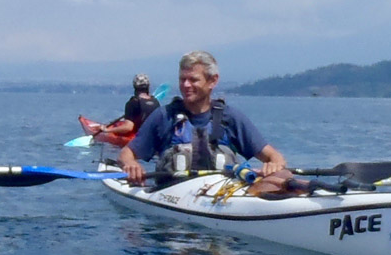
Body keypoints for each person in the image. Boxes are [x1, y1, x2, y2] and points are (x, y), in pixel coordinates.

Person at [117, 50, 295, 196]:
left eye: (193, 79)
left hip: (219, 198)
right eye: (182, 79)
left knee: (283, 177)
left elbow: (275, 156)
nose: (186, 85)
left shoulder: (230, 118)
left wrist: (274, 165)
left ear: (212, 81)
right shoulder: (164, 117)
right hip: (171, 200)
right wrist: (131, 165)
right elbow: (127, 153)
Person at [93, 74, 161, 140]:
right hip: (154, 137)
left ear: (134, 87)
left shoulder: (133, 103)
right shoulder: (155, 102)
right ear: (148, 86)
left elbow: (128, 128)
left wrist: (107, 130)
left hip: (139, 139)